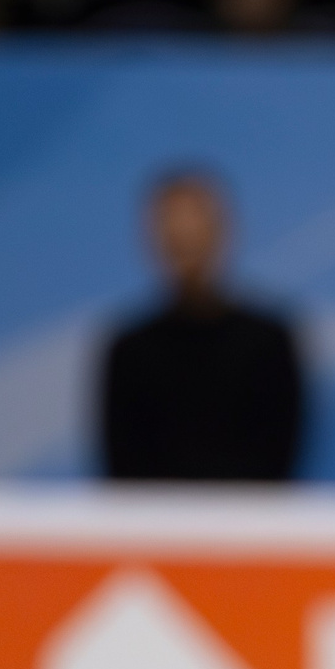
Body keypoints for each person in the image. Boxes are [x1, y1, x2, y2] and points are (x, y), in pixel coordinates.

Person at [98, 169, 307, 481]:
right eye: (172, 228)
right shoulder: (130, 350)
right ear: (152, 238)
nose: (185, 238)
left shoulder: (269, 342)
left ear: (222, 230)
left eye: (195, 224)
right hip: (156, 526)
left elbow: (279, 460)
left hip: (248, 524)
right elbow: (122, 468)